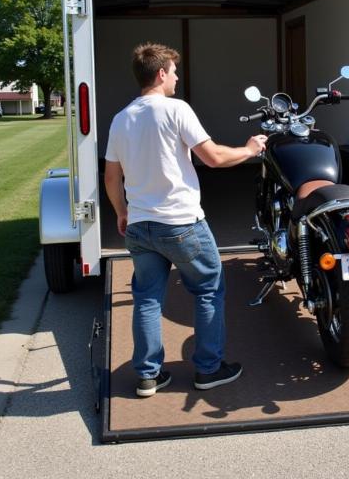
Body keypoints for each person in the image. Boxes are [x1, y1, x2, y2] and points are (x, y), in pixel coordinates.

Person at [104, 42, 267, 396]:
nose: (177, 78)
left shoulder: (121, 119)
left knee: (147, 298)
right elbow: (213, 158)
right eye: (174, 72)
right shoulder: (176, 110)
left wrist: (121, 212)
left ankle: (148, 376)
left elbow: (111, 178)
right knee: (208, 291)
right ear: (161, 74)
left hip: (139, 227)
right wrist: (250, 149)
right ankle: (208, 370)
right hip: (182, 224)